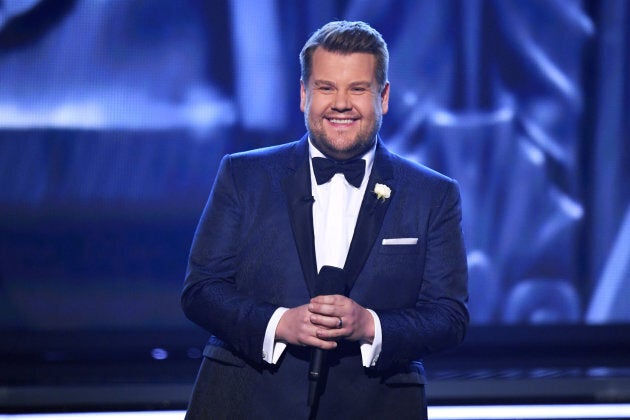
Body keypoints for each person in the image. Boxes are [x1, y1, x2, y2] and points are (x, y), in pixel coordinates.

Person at [181, 20, 468, 419]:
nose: (341, 103)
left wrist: (369, 325)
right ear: (304, 94)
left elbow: (449, 317)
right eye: (326, 87)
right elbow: (200, 290)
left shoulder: (432, 194)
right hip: (246, 404)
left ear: (383, 97)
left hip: (375, 407)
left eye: (358, 88)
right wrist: (280, 324)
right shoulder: (243, 175)